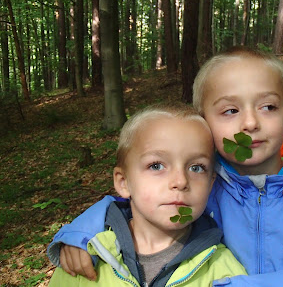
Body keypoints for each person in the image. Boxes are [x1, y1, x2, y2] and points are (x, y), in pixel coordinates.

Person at [48, 47, 283, 286]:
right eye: (230, 111)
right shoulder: (202, 187)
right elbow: (135, 205)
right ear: (204, 125)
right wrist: (79, 235)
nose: (249, 124)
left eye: (268, 107)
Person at [48, 104, 247, 287]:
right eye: (156, 166)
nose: (180, 181)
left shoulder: (224, 272)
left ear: (211, 182)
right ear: (124, 182)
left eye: (196, 167)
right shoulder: (82, 261)